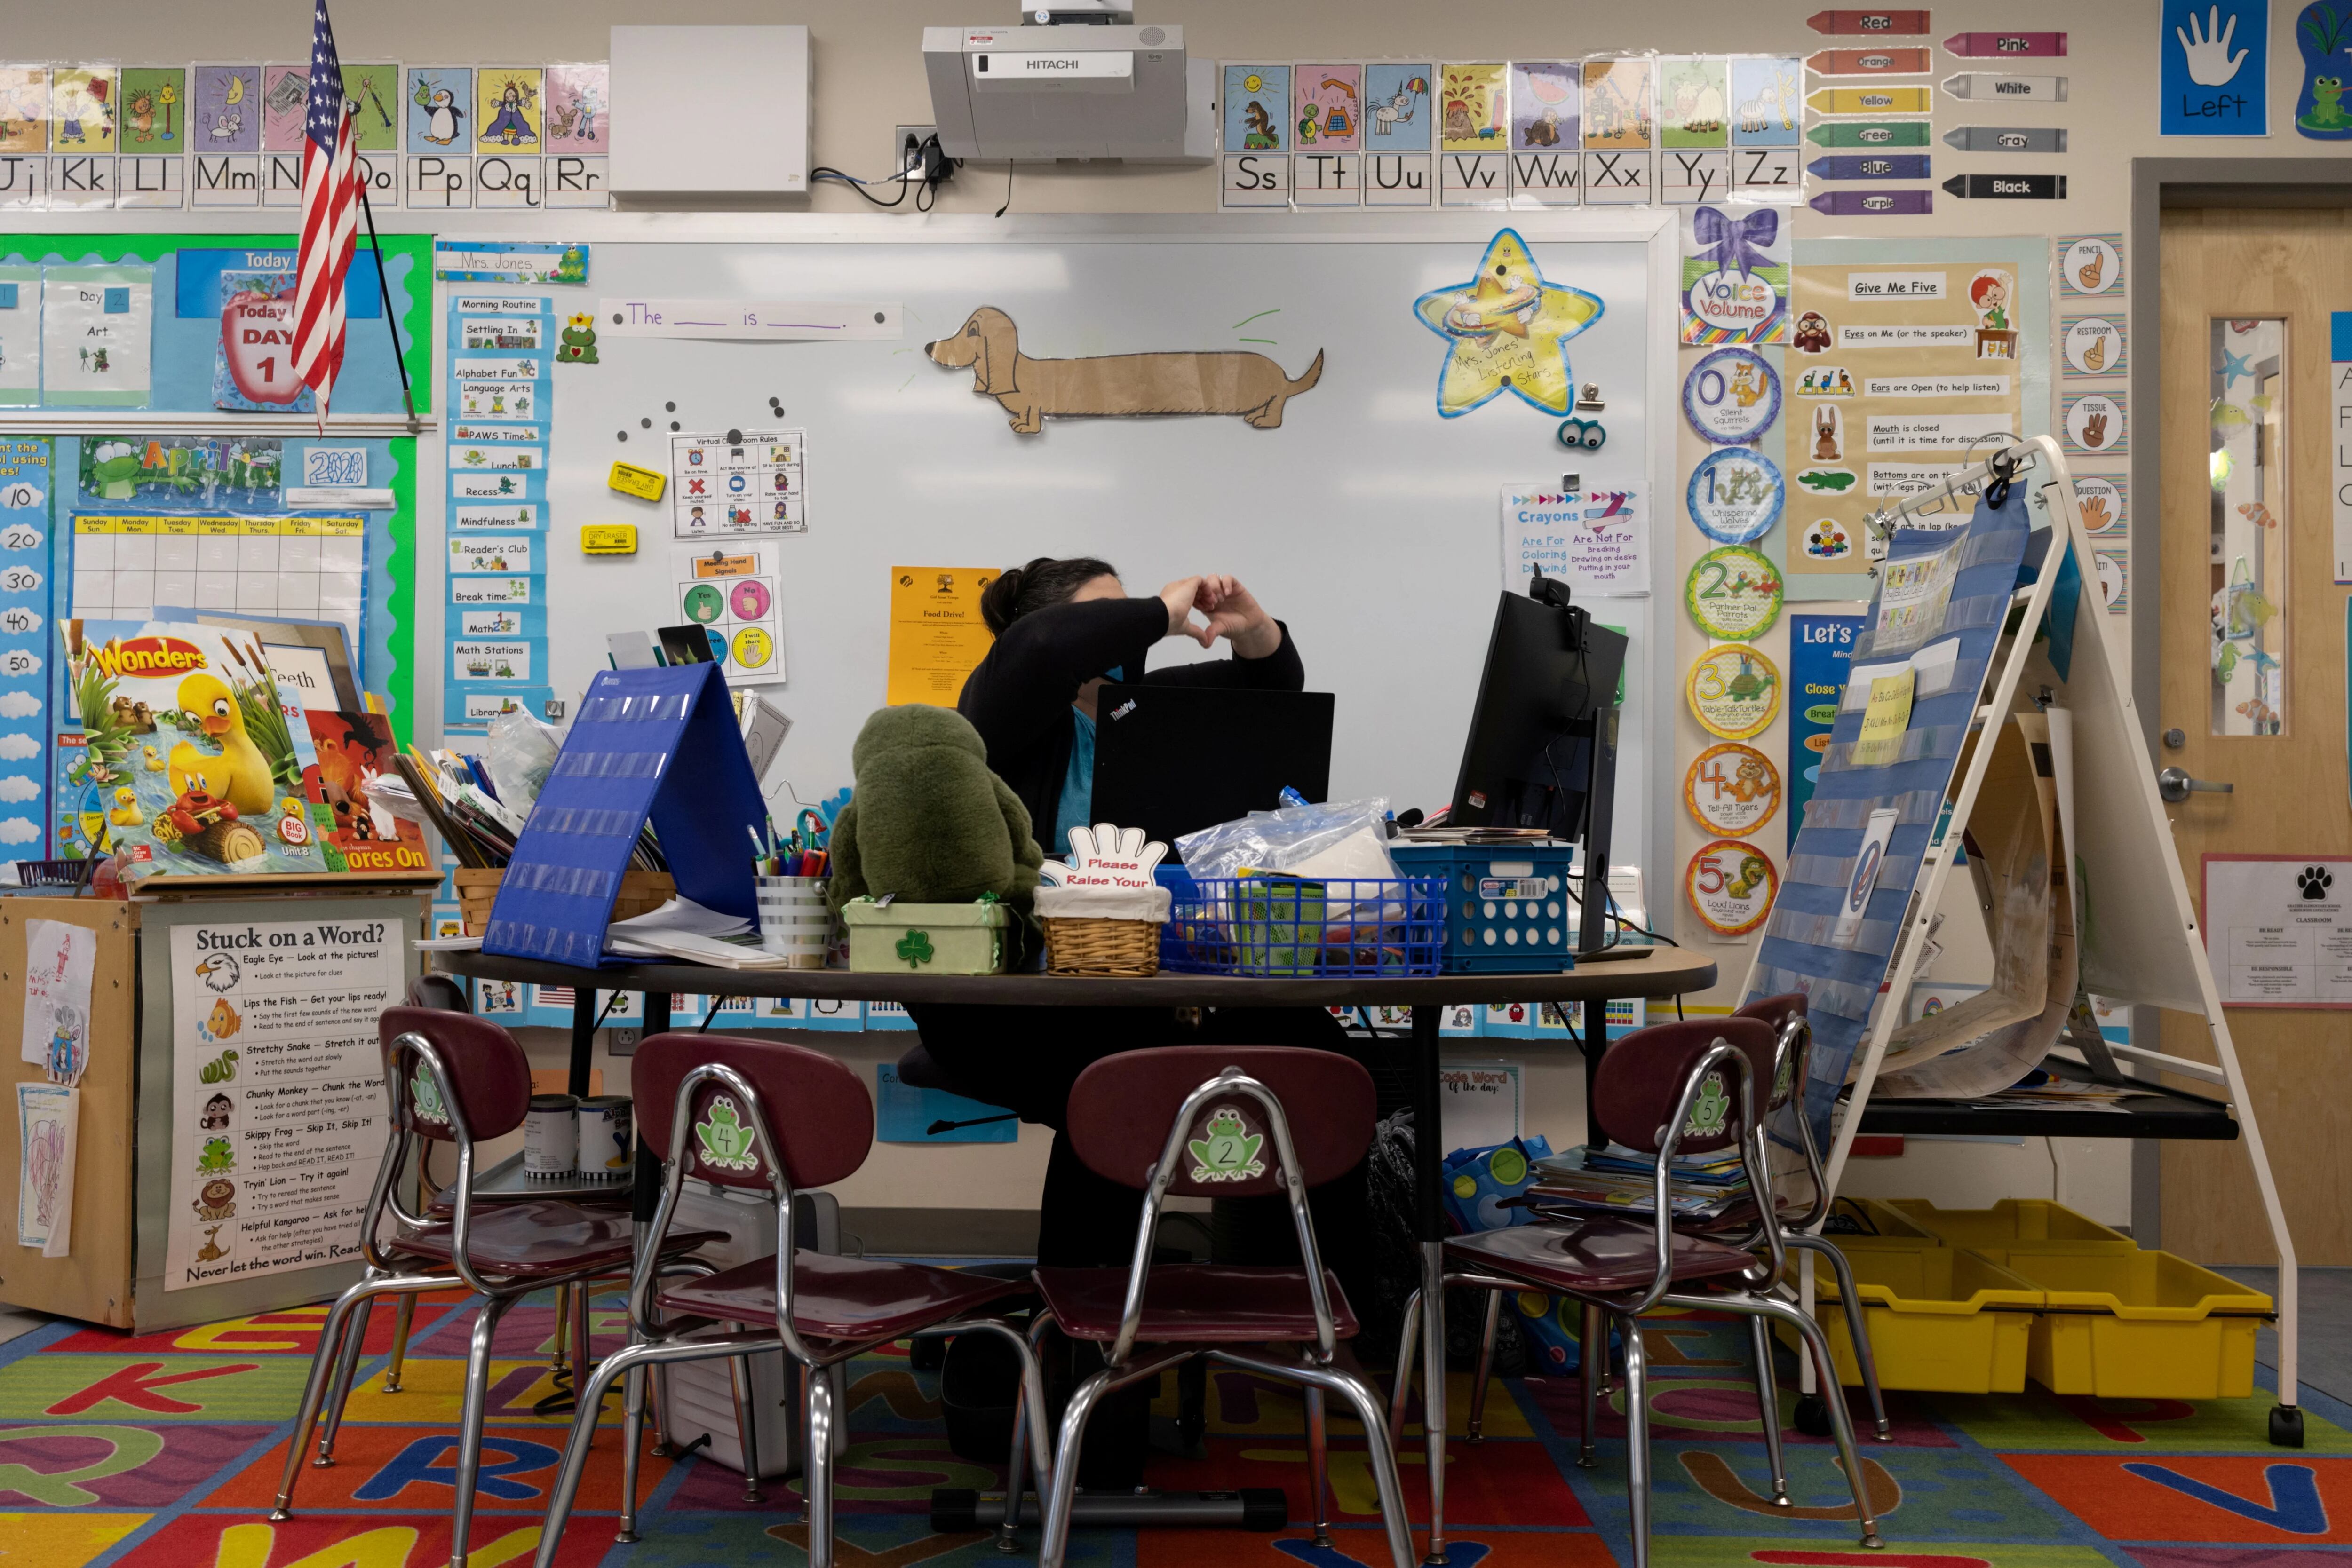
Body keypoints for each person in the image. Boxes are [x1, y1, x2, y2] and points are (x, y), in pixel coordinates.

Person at [905, 557, 1377, 1475]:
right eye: (1108, 614)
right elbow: (1043, 648)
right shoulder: (1005, 713)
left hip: (1143, 995)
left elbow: (1271, 683)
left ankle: (1328, 1326)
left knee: (1321, 1050)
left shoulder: (1139, 712)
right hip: (1015, 1006)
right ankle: (1089, 1373)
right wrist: (1160, 608)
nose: (1126, 632)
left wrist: (1252, 624)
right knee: (1117, 1090)